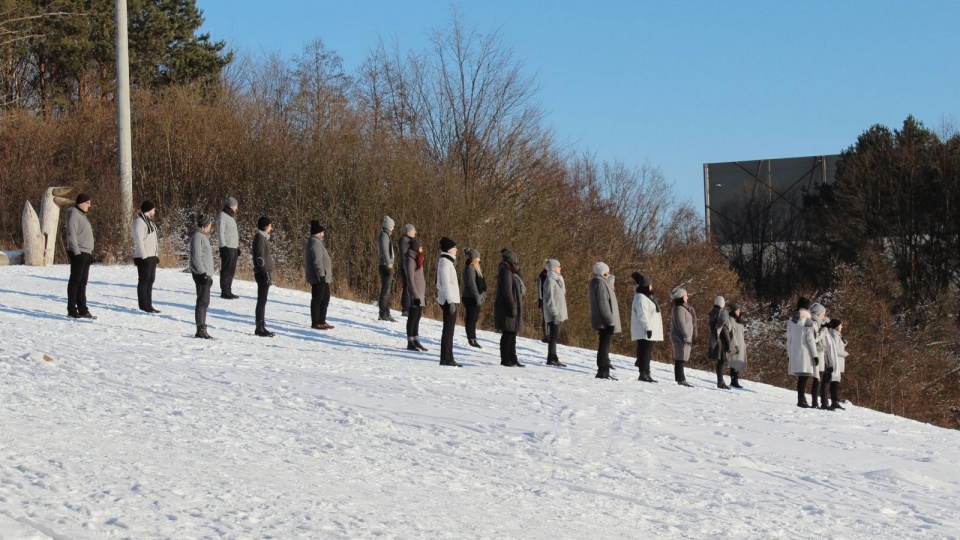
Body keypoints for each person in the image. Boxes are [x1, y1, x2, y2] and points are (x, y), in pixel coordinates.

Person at [65, 192, 96, 319]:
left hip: (86, 253)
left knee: (82, 283)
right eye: (88, 203)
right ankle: (72, 309)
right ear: (81, 203)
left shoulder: (82, 215)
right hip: (79, 252)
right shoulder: (74, 214)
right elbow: (71, 234)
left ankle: (83, 309)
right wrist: (76, 252)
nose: (90, 205)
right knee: (75, 281)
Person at [494, 249, 526, 367]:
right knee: (508, 332)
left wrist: (518, 269)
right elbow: (507, 290)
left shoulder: (512, 271)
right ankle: (505, 358)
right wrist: (512, 305)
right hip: (506, 306)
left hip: (514, 304)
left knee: (513, 332)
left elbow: (522, 280)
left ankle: (513, 357)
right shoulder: (505, 271)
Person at [589, 262, 621, 380]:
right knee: (604, 345)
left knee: (604, 344)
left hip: (603, 320)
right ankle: (602, 370)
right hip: (604, 321)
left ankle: (604, 369)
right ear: (603, 272)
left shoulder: (597, 282)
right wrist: (610, 321)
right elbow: (604, 305)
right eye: (607, 272)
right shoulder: (600, 283)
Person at [786, 297, 819, 408]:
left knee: (801, 377)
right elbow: (811, 341)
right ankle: (801, 400)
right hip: (806, 353)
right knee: (804, 377)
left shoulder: (791, 321)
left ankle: (802, 399)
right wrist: (815, 355)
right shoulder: (808, 322)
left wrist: (789, 354)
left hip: (795, 352)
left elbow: (788, 339)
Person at [630, 272, 662, 383]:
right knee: (645, 352)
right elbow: (642, 314)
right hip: (645, 330)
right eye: (650, 285)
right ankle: (643, 373)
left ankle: (647, 372)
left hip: (649, 329)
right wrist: (648, 328)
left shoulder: (647, 296)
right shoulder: (641, 297)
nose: (652, 287)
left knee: (647, 352)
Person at [189, 214, 216, 339]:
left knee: (205, 301)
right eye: (210, 223)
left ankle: (202, 328)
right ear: (206, 224)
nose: (211, 225)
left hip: (205, 274)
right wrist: (202, 273)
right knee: (202, 302)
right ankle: (200, 330)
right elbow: (196, 256)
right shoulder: (198, 236)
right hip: (202, 275)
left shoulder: (201, 236)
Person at [304, 219, 333, 330]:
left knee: (325, 298)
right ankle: (316, 322)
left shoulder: (316, 242)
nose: (323, 234)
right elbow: (317, 261)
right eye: (322, 232)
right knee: (318, 299)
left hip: (322, 277)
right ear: (318, 232)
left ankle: (322, 320)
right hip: (319, 277)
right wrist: (321, 275)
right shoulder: (315, 243)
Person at [436, 236, 461, 366]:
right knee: (448, 330)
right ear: (449, 249)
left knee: (449, 330)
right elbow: (445, 283)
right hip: (448, 300)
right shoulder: (445, 262)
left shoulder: (447, 261)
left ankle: (448, 357)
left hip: (449, 299)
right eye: (454, 247)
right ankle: (446, 358)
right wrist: (450, 301)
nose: (456, 249)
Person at [132, 200, 160, 313]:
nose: (154, 211)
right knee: (144, 280)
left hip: (151, 255)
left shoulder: (149, 222)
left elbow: (154, 240)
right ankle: (143, 305)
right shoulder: (139, 222)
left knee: (150, 280)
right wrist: (143, 256)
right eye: (153, 209)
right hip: (144, 256)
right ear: (149, 210)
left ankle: (149, 304)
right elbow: (139, 240)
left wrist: (156, 254)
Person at [252, 216, 275, 337]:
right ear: (266, 226)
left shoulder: (263, 238)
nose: (271, 227)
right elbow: (259, 257)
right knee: (261, 300)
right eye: (270, 225)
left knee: (263, 299)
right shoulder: (260, 238)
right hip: (262, 273)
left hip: (264, 272)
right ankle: (259, 327)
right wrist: (264, 272)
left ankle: (261, 325)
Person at [542, 259, 568, 367]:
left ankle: (554, 357)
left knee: (555, 336)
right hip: (554, 314)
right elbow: (549, 298)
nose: (560, 268)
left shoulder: (557, 279)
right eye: (558, 266)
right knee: (553, 336)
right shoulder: (550, 280)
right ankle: (551, 358)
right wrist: (554, 312)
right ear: (553, 268)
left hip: (559, 312)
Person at [669, 287, 697, 387]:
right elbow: (682, 323)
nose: (687, 297)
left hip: (681, 336)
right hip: (680, 337)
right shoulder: (679, 308)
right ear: (681, 296)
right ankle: (681, 379)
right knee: (680, 358)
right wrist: (686, 336)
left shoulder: (679, 307)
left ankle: (680, 378)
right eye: (686, 295)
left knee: (680, 358)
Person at [403, 238, 427, 351]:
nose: (422, 249)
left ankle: (416, 339)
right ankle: (410, 341)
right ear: (416, 248)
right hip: (414, 294)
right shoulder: (410, 259)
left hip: (421, 293)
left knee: (417, 317)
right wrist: (415, 295)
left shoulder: (418, 258)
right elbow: (410, 279)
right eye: (421, 247)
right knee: (412, 317)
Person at [461, 248, 487, 348]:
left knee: (474, 319)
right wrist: (477, 297)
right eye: (478, 258)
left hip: (475, 297)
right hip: (470, 297)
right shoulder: (469, 269)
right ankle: (471, 338)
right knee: (471, 319)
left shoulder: (475, 269)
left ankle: (473, 338)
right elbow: (472, 284)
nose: (479, 260)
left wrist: (482, 295)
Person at [216, 196, 240, 299]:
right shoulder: (222, 216)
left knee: (231, 270)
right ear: (231, 205)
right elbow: (220, 232)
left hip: (233, 248)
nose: (236, 208)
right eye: (235, 206)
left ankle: (229, 290)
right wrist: (223, 246)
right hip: (227, 247)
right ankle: (224, 291)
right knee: (226, 270)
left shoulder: (231, 217)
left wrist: (237, 247)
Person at [708, 296, 734, 389]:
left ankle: (720, 380)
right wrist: (728, 344)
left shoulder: (712, 313)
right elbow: (725, 330)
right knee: (721, 362)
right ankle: (720, 381)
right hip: (721, 341)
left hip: (714, 339)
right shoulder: (723, 313)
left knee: (719, 361)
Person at [823, 318, 848, 410]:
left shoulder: (837, 335)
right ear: (837, 326)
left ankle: (835, 401)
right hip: (836, 361)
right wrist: (845, 353)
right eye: (840, 325)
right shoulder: (834, 335)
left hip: (838, 361)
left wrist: (843, 342)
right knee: (834, 382)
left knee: (835, 382)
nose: (842, 326)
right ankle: (834, 401)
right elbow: (835, 349)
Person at [376, 215, 397, 321]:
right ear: (389, 226)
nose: (393, 228)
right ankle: (383, 313)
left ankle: (386, 312)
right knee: (385, 291)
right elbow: (385, 250)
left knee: (387, 291)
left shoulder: (385, 235)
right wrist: (389, 264)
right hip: (385, 265)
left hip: (386, 264)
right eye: (392, 226)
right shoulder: (384, 235)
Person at [809, 303, 829, 408]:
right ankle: (814, 402)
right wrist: (824, 330)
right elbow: (815, 338)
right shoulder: (814, 322)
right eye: (823, 314)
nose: (824, 316)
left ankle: (815, 402)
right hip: (816, 352)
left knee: (818, 378)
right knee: (816, 379)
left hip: (819, 352)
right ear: (818, 313)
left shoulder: (817, 322)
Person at [398, 224, 416, 317]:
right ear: (408, 232)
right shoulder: (404, 240)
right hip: (406, 266)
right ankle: (405, 308)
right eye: (413, 230)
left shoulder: (410, 241)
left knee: (410, 287)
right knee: (407, 286)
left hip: (410, 266)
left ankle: (408, 307)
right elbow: (405, 254)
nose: (415, 232)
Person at [728, 302, 747, 388]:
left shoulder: (737, 320)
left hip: (740, 344)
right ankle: (734, 380)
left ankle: (736, 379)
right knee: (734, 362)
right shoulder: (731, 320)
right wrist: (735, 345)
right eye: (737, 310)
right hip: (735, 344)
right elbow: (731, 333)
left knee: (737, 363)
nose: (739, 311)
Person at [536, 262, 550, 343]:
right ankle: (546, 335)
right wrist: (540, 299)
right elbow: (539, 289)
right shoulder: (541, 276)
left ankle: (550, 334)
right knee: (545, 318)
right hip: (544, 300)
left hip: (551, 300)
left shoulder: (552, 276)